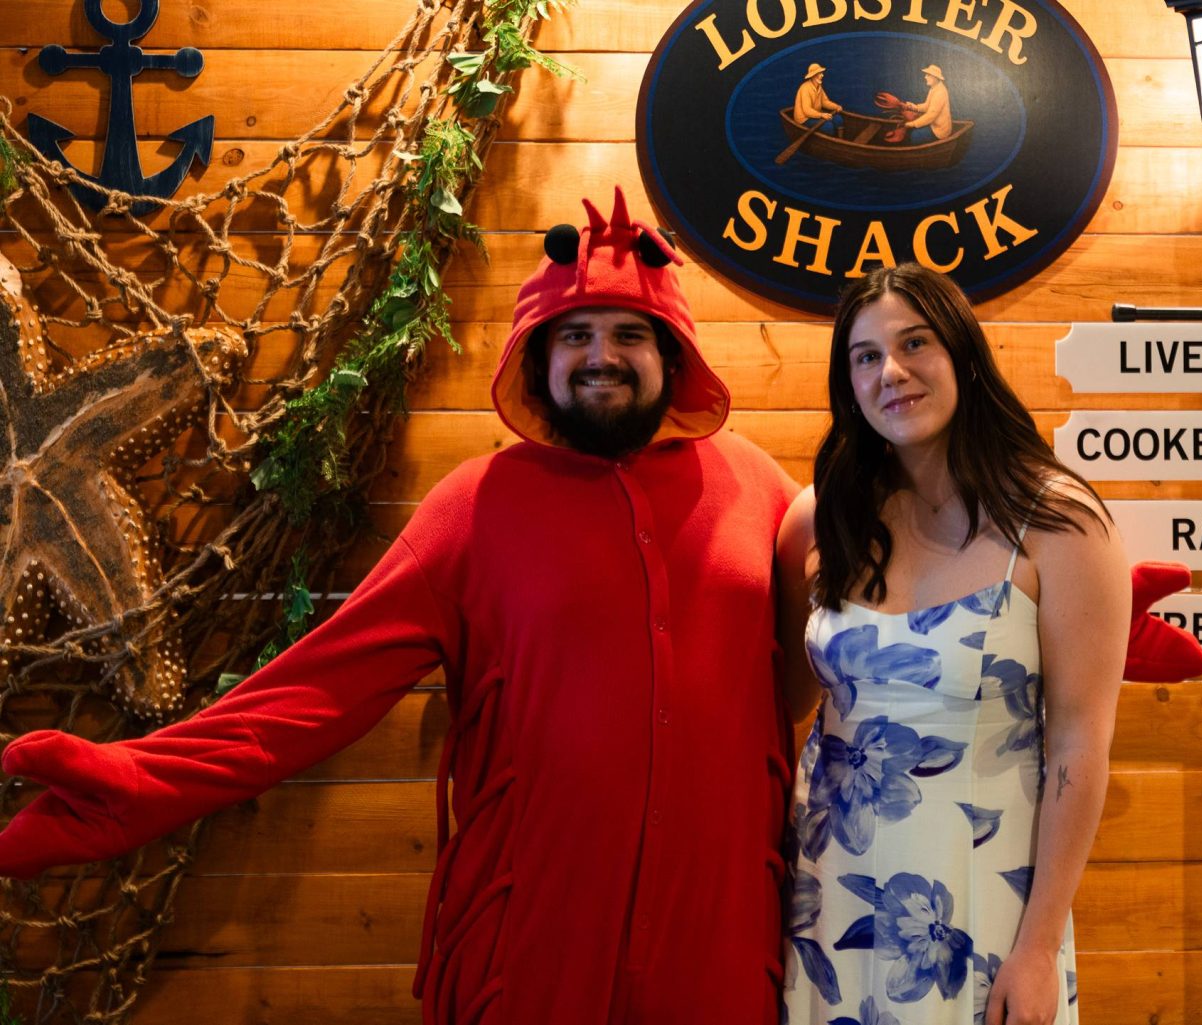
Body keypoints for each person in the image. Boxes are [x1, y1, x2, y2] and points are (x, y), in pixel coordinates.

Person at [0, 187, 802, 1025]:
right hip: (530, 952)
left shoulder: (760, 491)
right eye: (576, 335)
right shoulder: (474, 508)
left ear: (673, 353)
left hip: (718, 946)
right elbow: (310, 694)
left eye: (630, 333)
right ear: (538, 356)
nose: (602, 355)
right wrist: (133, 784)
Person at [776, 264, 1129, 1025]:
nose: (891, 372)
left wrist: (1038, 947)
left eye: (915, 344)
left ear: (963, 356)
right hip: (831, 888)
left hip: (985, 895)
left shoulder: (1059, 522)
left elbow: (1080, 745)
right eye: (866, 356)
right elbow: (785, 704)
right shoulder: (820, 517)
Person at [903, 64, 954, 141]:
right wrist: (915, 107)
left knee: (914, 136)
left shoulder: (940, 92)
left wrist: (913, 124)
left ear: (935, 77)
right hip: (934, 125)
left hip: (939, 131)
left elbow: (931, 116)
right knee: (911, 130)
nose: (925, 77)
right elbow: (927, 106)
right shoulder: (934, 88)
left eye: (928, 75)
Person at [794, 62, 844, 135]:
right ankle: (830, 141)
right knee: (828, 126)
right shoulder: (805, 88)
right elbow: (807, 110)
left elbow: (825, 102)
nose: (822, 75)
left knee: (838, 119)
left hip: (816, 114)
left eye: (822, 73)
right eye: (820, 73)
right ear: (813, 76)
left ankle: (840, 140)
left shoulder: (819, 87)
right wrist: (821, 115)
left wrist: (836, 107)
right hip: (804, 119)